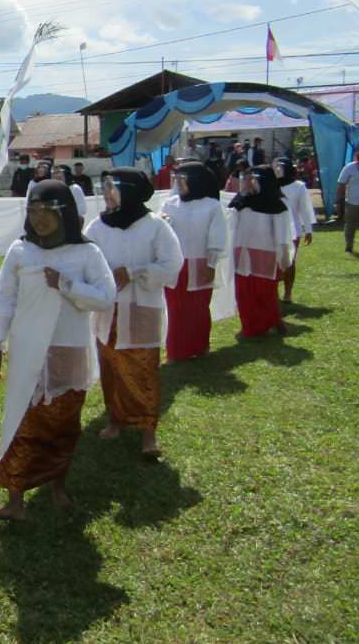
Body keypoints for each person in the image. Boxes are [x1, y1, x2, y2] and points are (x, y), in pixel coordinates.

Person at [0, 180, 115, 521]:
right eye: (33, 210)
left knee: (62, 423)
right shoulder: (20, 251)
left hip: (68, 349)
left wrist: (68, 285)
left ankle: (58, 487)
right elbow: (4, 299)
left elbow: (106, 296)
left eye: (47, 211)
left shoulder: (86, 253)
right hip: (27, 349)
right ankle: (15, 500)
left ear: (65, 213)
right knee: (23, 422)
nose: (39, 218)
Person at [85, 168, 183, 459]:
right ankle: (115, 419)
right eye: (103, 187)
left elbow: (172, 263)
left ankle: (148, 430)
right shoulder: (97, 227)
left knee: (143, 368)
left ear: (127, 190)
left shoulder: (155, 226)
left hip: (142, 307)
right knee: (111, 366)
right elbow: (86, 260)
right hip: (108, 309)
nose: (105, 193)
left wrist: (135, 272)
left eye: (110, 187)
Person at [160, 162, 227, 361]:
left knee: (198, 307)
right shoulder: (170, 204)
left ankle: (199, 345)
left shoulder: (211, 205)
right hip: (176, 264)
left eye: (183, 180)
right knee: (176, 308)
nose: (178, 184)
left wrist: (211, 264)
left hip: (199, 263)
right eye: (177, 180)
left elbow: (216, 237)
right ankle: (176, 351)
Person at [230, 165, 295, 337]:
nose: (251, 183)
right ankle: (250, 326)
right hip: (242, 252)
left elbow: (282, 236)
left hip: (264, 253)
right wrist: (242, 191)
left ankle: (271, 321)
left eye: (255, 179)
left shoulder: (276, 205)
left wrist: (284, 258)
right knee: (244, 292)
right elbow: (230, 218)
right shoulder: (242, 201)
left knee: (265, 292)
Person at [274, 157, 313, 303]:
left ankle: (288, 293)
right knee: (273, 263)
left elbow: (305, 209)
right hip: (273, 229)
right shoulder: (270, 184)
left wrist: (308, 230)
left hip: (292, 230)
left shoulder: (298, 186)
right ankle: (273, 293)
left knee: (289, 262)